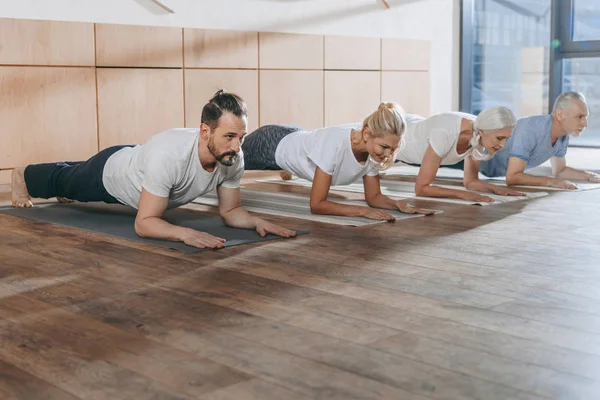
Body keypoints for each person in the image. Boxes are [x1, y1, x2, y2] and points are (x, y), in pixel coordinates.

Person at [11, 90, 297, 249]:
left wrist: (256, 221)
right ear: (205, 131)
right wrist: (184, 234)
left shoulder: (232, 156)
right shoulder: (169, 155)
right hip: (112, 175)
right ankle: (22, 174)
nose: (237, 147)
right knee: (65, 182)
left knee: (72, 175)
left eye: (241, 137)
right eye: (230, 137)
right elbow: (144, 222)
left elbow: (231, 212)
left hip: (138, 161)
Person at [241, 102, 435, 221]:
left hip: (298, 137)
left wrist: (398, 205)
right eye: (384, 147)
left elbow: (374, 197)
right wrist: (361, 212)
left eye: (393, 149)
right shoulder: (335, 144)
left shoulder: (373, 153)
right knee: (227, 160)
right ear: (367, 134)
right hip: (273, 144)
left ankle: (286, 169)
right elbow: (317, 205)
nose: (387, 154)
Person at [394, 106, 525, 202]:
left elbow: (471, 182)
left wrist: (495, 188)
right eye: (500, 138)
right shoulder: (444, 133)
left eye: (506, 139)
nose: (503, 145)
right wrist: (463, 195)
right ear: (483, 131)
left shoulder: (479, 132)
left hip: (414, 124)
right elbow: (421, 189)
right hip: (397, 135)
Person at [479, 91, 600, 188]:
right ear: (560, 115)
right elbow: (512, 177)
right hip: (475, 155)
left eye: (586, 117)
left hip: (490, 169)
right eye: (580, 117)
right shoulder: (530, 129)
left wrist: (589, 176)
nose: (585, 124)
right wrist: (551, 182)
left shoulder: (563, 135)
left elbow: (560, 171)